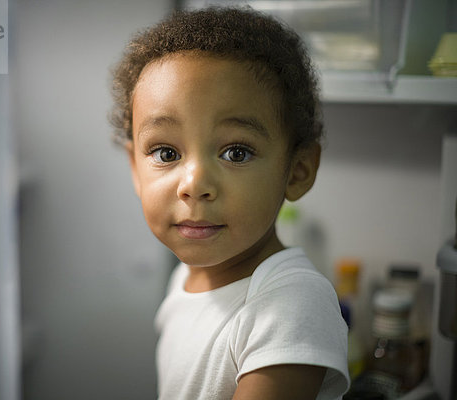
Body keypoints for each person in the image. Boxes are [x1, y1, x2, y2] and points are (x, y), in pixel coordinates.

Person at [110, 7, 349, 400]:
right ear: (135, 168)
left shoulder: (291, 303)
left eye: (236, 153)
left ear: (298, 171)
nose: (194, 185)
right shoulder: (184, 279)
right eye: (166, 153)